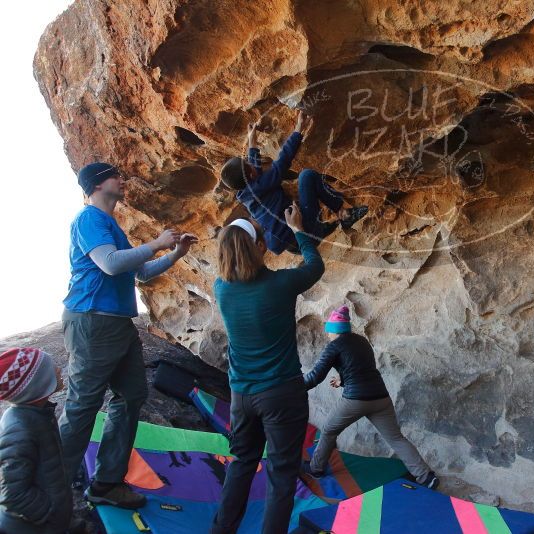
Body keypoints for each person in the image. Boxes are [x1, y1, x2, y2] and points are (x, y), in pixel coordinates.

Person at [59, 162, 197, 509]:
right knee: (82, 406)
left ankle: (106, 484)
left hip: (117, 323)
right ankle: (49, 489)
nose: (123, 180)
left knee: (132, 395)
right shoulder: (89, 219)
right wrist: (157, 241)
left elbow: (143, 273)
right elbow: (110, 264)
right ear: (96, 184)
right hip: (91, 320)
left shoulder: (111, 225)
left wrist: (175, 252)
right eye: (115, 175)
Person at [210, 207, 322, 534]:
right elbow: (315, 266)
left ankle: (221, 530)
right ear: (258, 247)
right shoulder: (280, 283)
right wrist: (299, 230)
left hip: (242, 395)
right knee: (282, 475)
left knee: (242, 465)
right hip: (281, 393)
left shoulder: (222, 289)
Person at [302, 305, 440, 489]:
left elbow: (315, 377)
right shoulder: (361, 341)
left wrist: (291, 386)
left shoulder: (333, 347)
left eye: (328, 330)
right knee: (396, 438)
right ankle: (426, 477)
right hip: (380, 398)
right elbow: (362, 369)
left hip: (356, 400)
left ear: (333, 330)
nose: (327, 335)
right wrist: (342, 379)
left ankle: (316, 469)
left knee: (328, 430)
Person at [219, 110, 368, 256]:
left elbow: (253, 172)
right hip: (305, 233)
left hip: (297, 247)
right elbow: (282, 161)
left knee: (298, 207)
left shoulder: (247, 195)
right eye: (247, 162)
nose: (250, 162)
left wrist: (252, 141)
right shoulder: (258, 185)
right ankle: (344, 215)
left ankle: (322, 230)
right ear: (251, 174)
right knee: (306, 176)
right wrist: (298, 129)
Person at [0, 347, 85, 534]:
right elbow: (13, 495)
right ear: (37, 384)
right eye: (51, 367)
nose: (58, 370)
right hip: (35, 526)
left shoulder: (39, 412)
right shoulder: (19, 431)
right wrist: (51, 512)